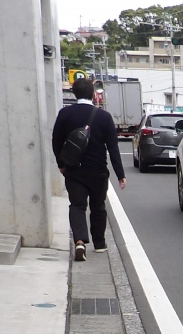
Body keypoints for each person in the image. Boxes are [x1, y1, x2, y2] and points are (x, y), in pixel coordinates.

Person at [52, 78, 125, 261]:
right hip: (98, 171)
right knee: (98, 207)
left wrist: (61, 164)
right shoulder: (104, 117)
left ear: (74, 93)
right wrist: (120, 175)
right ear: (93, 94)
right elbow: (113, 148)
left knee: (77, 206)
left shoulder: (65, 114)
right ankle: (99, 244)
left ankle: (79, 241)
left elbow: (56, 141)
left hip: (74, 170)